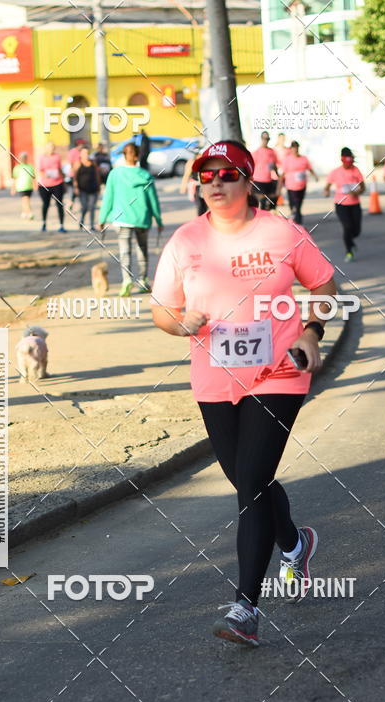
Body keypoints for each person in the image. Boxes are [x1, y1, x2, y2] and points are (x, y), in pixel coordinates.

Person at [151, 140, 337, 647]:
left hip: (280, 371)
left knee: (251, 482)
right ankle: (295, 543)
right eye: (206, 175)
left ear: (247, 180)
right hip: (214, 378)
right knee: (246, 478)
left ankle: (245, 608)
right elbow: (161, 311)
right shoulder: (184, 241)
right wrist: (179, 322)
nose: (215, 183)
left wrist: (311, 334)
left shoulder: (281, 231)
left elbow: (324, 288)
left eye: (227, 174)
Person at [99, 142, 162, 296]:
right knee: (142, 250)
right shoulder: (145, 176)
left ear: (124, 156)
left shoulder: (115, 174)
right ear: (138, 155)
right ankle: (142, 280)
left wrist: (102, 218)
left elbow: (108, 197)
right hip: (141, 218)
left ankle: (126, 280)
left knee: (125, 251)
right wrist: (158, 220)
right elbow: (153, 200)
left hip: (122, 219)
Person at [325, 147, 365, 261]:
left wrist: (357, 192)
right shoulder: (335, 172)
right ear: (342, 160)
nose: (349, 165)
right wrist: (326, 191)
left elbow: (363, 187)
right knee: (347, 226)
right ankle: (349, 251)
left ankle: (350, 241)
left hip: (355, 204)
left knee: (356, 230)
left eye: (350, 162)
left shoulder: (355, 170)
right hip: (341, 204)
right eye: (347, 163)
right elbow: (327, 185)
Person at [278, 141, 317, 225]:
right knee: (293, 205)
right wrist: (279, 186)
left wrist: (315, 176)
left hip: (302, 186)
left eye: (296, 147)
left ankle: (298, 222)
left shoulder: (303, 158)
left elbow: (310, 168)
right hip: (291, 186)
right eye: (293, 147)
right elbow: (283, 173)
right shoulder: (287, 159)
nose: (295, 149)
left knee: (298, 205)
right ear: (291, 149)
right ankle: (295, 220)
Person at [37, 141, 65, 232]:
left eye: (53, 147)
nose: (51, 149)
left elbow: (60, 169)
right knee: (46, 204)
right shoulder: (42, 158)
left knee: (59, 204)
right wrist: (46, 175)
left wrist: (63, 179)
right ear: (46, 148)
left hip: (57, 183)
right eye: (49, 147)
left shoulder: (57, 157)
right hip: (45, 185)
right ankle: (44, 223)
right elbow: (40, 170)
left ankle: (61, 225)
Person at [73, 145, 101, 230]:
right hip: (82, 189)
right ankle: (82, 220)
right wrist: (76, 188)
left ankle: (92, 225)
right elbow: (75, 177)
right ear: (80, 154)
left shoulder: (93, 163)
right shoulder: (78, 163)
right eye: (84, 153)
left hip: (93, 188)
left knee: (92, 207)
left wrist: (99, 186)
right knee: (84, 206)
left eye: (87, 153)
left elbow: (97, 175)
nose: (85, 155)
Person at [252, 131, 278, 210]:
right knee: (262, 202)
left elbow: (274, 165)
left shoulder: (272, 152)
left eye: (267, 139)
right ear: (261, 139)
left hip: (269, 180)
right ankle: (260, 219)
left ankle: (267, 218)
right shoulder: (256, 152)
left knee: (272, 202)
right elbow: (251, 167)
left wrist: (278, 175)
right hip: (258, 180)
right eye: (264, 138)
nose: (266, 140)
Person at [11, 151, 35, 220]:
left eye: (25, 158)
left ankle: (24, 212)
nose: (23, 159)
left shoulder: (30, 167)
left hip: (29, 187)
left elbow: (33, 177)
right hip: (21, 187)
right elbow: (15, 179)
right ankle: (30, 213)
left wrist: (35, 185)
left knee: (25, 200)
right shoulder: (17, 168)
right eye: (22, 158)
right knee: (25, 199)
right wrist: (13, 188)